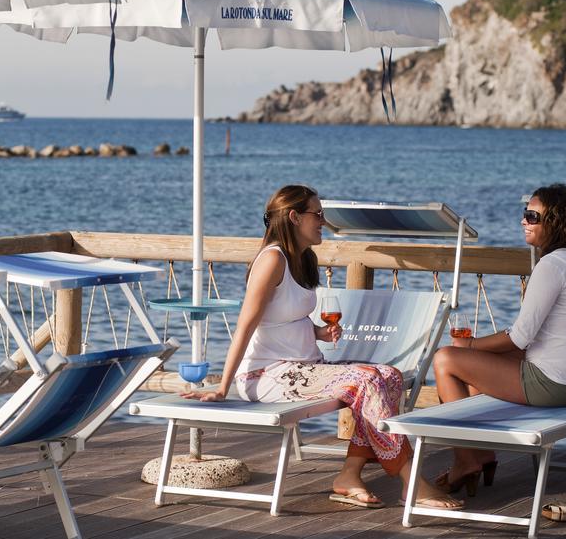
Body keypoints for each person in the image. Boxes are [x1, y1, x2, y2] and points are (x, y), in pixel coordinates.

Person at [182, 185, 462, 510]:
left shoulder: (302, 258)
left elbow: (283, 318)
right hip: (267, 375)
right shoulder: (272, 260)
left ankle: (349, 474)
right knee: (368, 381)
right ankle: (412, 482)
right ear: (294, 216)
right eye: (317, 214)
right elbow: (246, 325)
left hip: (304, 367)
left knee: (389, 375)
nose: (323, 222)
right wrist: (223, 388)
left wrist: (318, 332)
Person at [432, 183, 566, 495]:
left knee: (446, 359)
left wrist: (469, 346)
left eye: (531, 216)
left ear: (555, 222)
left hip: (558, 384)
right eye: (524, 215)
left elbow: (519, 338)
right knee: (472, 378)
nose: (523, 221)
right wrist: (476, 352)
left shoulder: (552, 265)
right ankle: (482, 454)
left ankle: (465, 459)